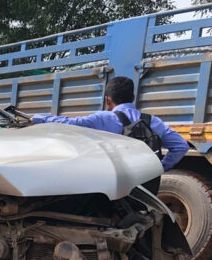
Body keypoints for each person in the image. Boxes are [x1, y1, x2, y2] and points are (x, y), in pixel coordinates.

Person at [32, 76, 189, 190]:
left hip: (113, 189)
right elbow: (181, 146)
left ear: (108, 100)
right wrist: (158, 168)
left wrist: (37, 118)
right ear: (133, 97)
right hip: (146, 189)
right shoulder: (153, 121)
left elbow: (69, 123)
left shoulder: (102, 119)